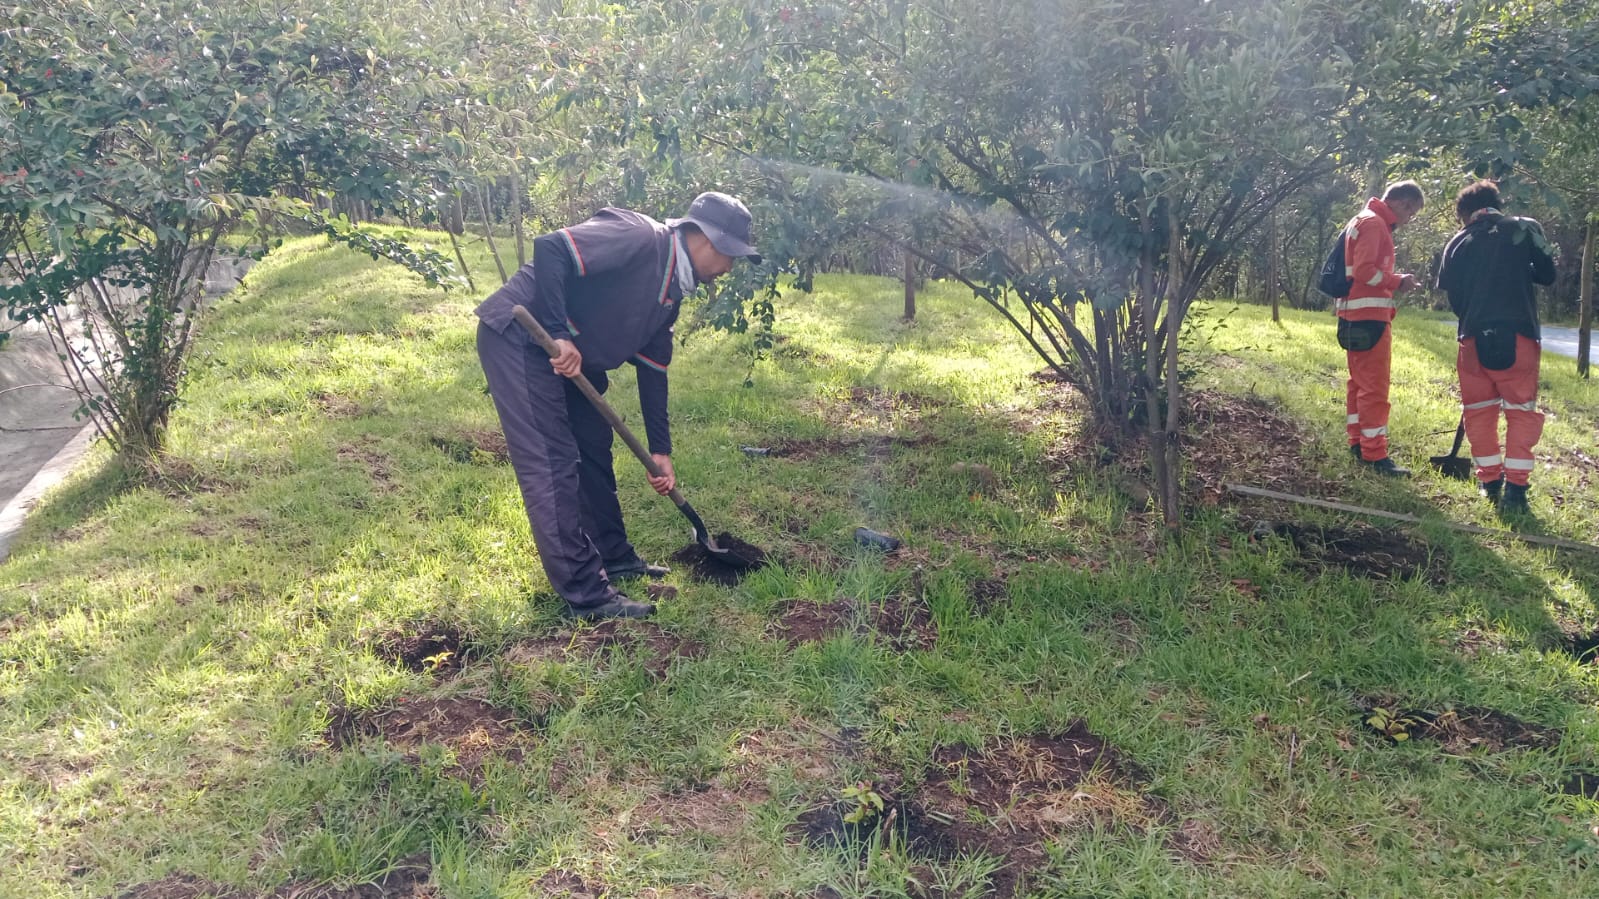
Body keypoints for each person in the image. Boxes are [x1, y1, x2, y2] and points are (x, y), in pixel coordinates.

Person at [474, 192, 761, 619]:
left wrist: (660, 452)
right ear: (702, 238)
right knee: (553, 461)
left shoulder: (669, 296)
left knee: (592, 443)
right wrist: (559, 333)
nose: (729, 268)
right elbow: (552, 248)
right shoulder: (640, 237)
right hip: (524, 338)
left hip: (571, 358)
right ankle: (586, 595)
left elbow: (653, 372)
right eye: (729, 256)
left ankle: (613, 555)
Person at [1435, 180, 1557, 516]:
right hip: (1519, 335)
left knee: (1479, 411)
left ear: (1465, 214)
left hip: (1472, 338)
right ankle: (1516, 489)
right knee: (1520, 412)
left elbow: (1453, 297)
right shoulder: (1525, 228)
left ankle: (1490, 483)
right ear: (1497, 204)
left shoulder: (1457, 242)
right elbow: (1548, 275)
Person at [1335, 180, 1426, 477]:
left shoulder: (1363, 219)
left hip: (1354, 316)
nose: (1409, 220)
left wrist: (1395, 278)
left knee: (1358, 384)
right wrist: (1397, 281)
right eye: (1411, 214)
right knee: (1374, 388)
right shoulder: (1375, 225)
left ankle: (1357, 442)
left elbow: (1361, 270)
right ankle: (1374, 454)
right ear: (1403, 204)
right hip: (1369, 318)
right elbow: (1364, 271)